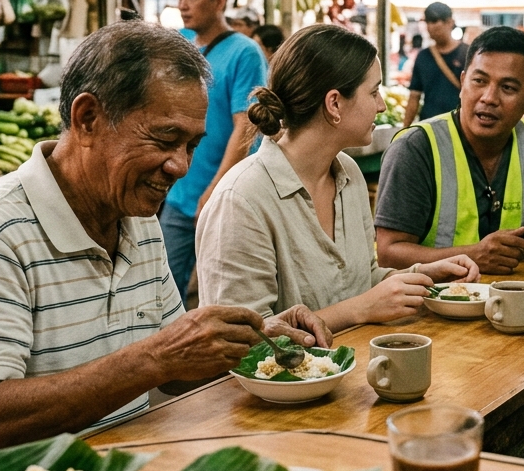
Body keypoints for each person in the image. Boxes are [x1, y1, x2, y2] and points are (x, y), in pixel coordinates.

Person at [0, 22, 326, 471]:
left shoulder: (138, 221)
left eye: (191, 146)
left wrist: (249, 340)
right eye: (165, 139)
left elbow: (175, 369)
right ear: (87, 118)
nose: (180, 166)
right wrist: (158, 357)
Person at [197, 25, 478, 327]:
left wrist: (423, 274)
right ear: (334, 104)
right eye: (373, 92)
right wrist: (359, 310)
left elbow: (361, 282)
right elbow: (240, 339)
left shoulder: (348, 174)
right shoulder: (241, 200)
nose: (381, 105)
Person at [376, 26, 524, 275]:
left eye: (508, 88)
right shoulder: (416, 148)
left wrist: (519, 246)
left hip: (510, 294)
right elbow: (388, 254)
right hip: (430, 297)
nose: (489, 98)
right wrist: (473, 256)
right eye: (479, 81)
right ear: (463, 83)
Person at [159, 0, 268, 302]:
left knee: (223, 296)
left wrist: (215, 189)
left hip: (222, 196)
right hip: (178, 192)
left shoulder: (245, 53)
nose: (183, 5)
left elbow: (246, 126)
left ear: (219, 1)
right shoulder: (180, 44)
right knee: (161, 293)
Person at [402, 2, 467, 127]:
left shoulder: (467, 54)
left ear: (450, 22)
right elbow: (414, 96)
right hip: (428, 126)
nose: (430, 26)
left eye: (434, 21)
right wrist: (404, 129)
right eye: (427, 22)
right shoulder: (423, 56)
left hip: (459, 125)